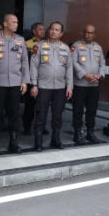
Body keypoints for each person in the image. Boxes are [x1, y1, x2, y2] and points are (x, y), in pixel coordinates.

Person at [0, 13, 29, 154]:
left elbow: (24, 62)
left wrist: (25, 81)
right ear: (5, 23)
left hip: (15, 83)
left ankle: (13, 142)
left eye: (17, 22)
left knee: (14, 114)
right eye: (13, 22)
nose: (16, 24)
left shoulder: (20, 40)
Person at [29, 21, 72, 151]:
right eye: (52, 29)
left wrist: (69, 86)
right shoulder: (39, 46)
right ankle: (38, 142)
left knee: (57, 115)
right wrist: (34, 84)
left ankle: (56, 140)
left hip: (60, 87)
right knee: (41, 115)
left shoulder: (65, 48)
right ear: (48, 31)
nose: (53, 31)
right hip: (43, 86)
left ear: (61, 33)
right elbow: (34, 66)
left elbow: (69, 69)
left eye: (57, 30)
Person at [71, 24, 105, 145]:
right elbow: (73, 63)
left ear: (94, 34)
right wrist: (85, 75)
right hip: (80, 85)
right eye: (86, 32)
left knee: (92, 110)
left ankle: (90, 132)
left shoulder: (98, 47)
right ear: (83, 33)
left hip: (94, 85)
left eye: (91, 33)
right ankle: (77, 133)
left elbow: (102, 64)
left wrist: (99, 75)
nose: (88, 35)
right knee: (78, 110)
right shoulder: (76, 46)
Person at [22, 21, 45, 135]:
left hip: (45, 79)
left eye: (43, 29)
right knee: (30, 105)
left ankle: (42, 126)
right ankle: (27, 126)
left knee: (43, 105)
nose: (43, 31)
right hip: (32, 79)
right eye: (40, 29)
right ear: (34, 31)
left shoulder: (47, 43)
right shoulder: (27, 44)